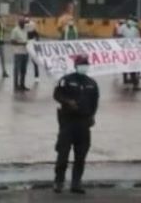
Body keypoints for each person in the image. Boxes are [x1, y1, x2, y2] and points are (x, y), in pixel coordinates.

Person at [53, 55, 99, 195]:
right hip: (68, 122)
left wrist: (92, 116)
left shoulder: (92, 83)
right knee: (63, 154)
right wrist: (67, 102)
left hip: (83, 124)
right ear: (75, 65)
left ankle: (76, 183)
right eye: (81, 64)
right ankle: (59, 181)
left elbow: (95, 103)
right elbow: (57, 95)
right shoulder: (66, 80)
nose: (83, 66)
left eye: (85, 64)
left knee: (81, 156)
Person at [118, 15, 141, 91]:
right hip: (126, 50)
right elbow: (118, 36)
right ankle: (128, 82)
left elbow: (139, 40)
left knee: (132, 67)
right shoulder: (123, 27)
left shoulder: (135, 29)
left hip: (132, 51)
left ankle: (133, 82)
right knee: (128, 67)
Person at [10, 17, 29, 92]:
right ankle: (16, 85)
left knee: (23, 70)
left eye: (24, 22)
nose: (24, 24)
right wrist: (22, 43)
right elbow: (12, 41)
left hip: (25, 52)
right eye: (22, 22)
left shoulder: (26, 29)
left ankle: (22, 84)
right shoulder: (15, 30)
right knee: (17, 70)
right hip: (18, 52)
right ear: (19, 23)